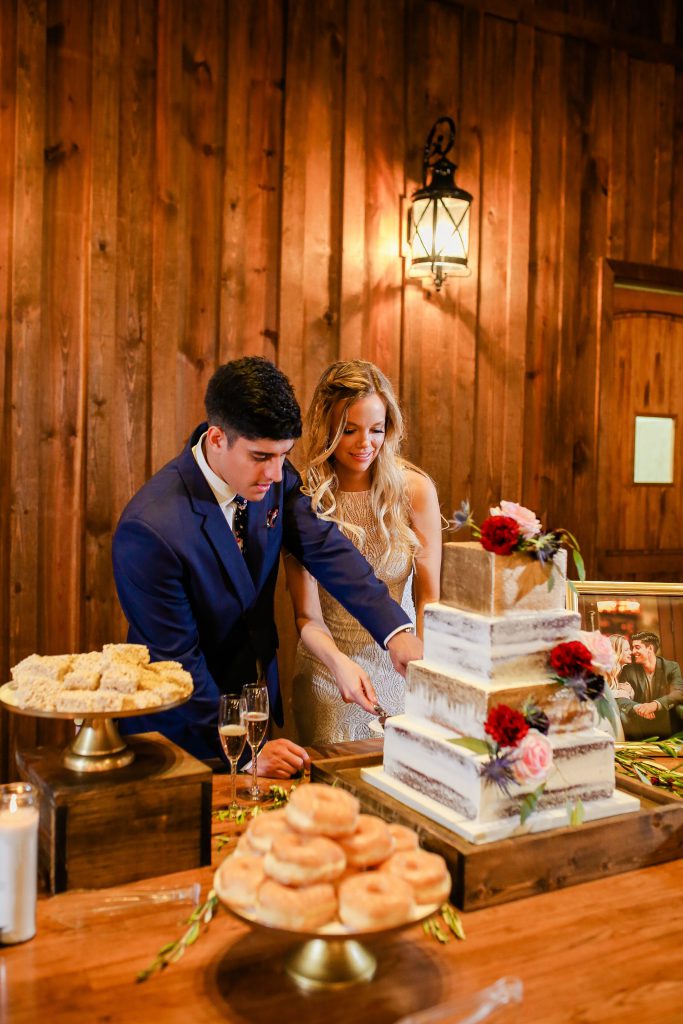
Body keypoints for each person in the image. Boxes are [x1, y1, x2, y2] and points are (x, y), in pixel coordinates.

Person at [112, 357, 422, 776]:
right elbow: (176, 664)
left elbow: (326, 548)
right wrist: (240, 749)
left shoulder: (271, 474)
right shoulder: (150, 529)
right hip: (183, 735)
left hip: (252, 709)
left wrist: (396, 632)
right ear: (218, 438)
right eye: (261, 457)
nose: (276, 474)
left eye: (283, 456)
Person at [286, 360, 442, 743]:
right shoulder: (303, 499)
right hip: (329, 672)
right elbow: (307, 618)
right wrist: (338, 663)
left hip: (406, 663)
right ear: (327, 428)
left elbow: (428, 599)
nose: (365, 444)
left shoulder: (415, 490)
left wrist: (427, 673)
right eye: (349, 430)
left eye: (377, 429)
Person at [617, 631, 683, 740]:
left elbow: (678, 693)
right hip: (639, 723)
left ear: (650, 649)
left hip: (667, 723)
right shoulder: (628, 670)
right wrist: (638, 707)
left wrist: (655, 705)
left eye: (637, 647)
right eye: (632, 648)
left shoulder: (671, 667)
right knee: (623, 713)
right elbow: (621, 698)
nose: (633, 652)